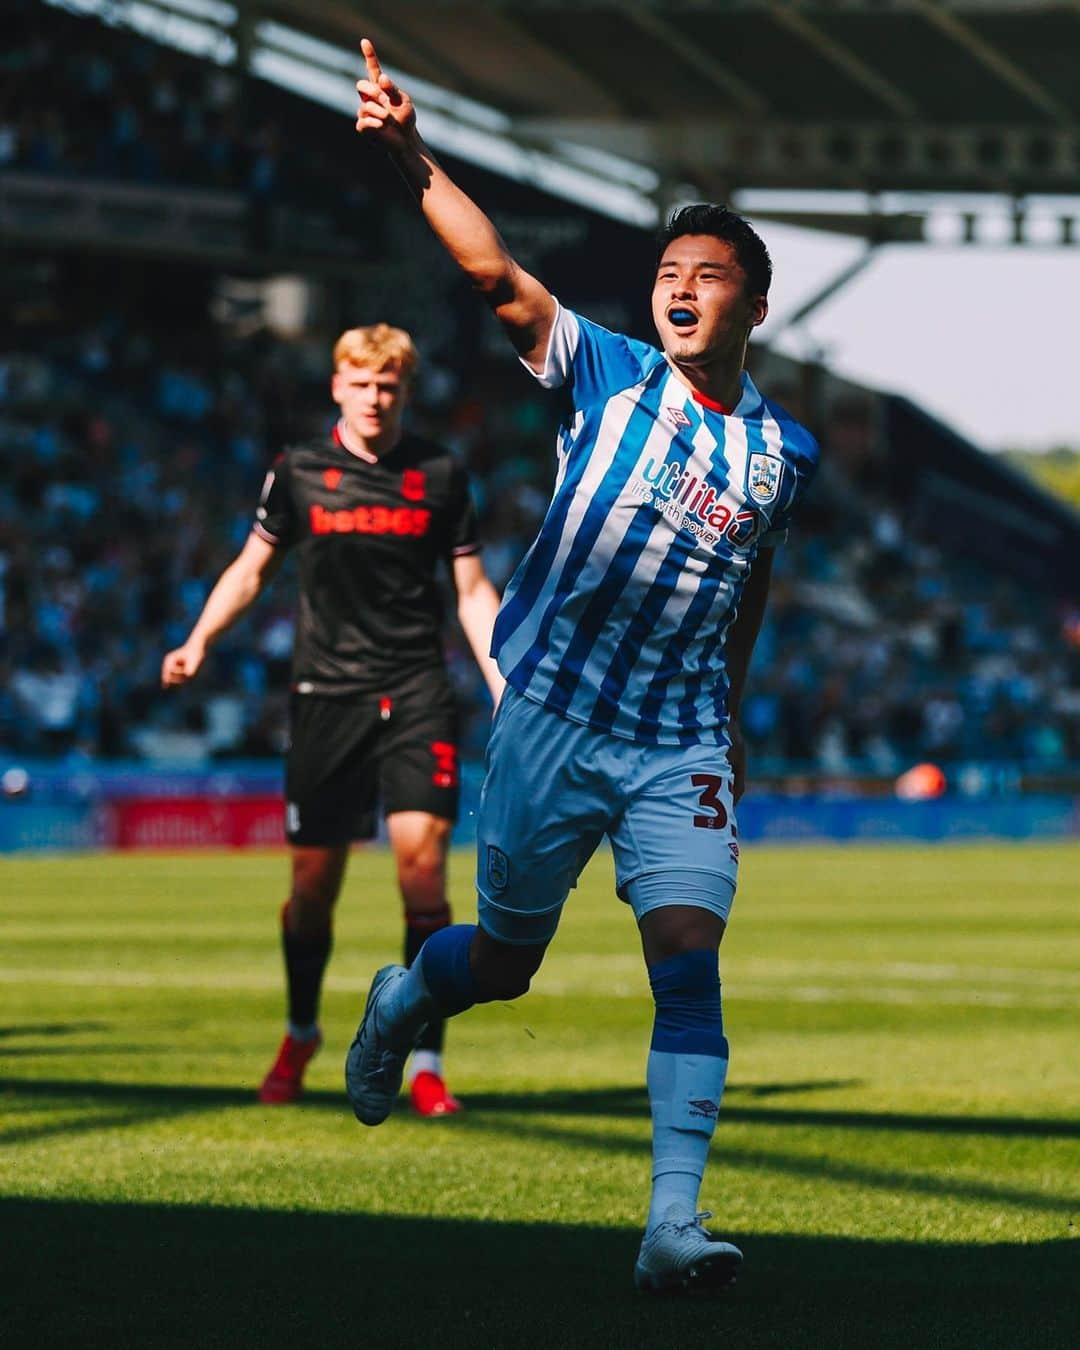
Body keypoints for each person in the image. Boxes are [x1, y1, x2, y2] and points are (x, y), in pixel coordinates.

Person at [344, 40, 819, 1291]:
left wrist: (733, 702)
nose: (680, 292)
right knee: (503, 964)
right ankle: (406, 999)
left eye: (707, 278)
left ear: (753, 308)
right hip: (553, 717)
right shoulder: (606, 375)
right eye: (669, 273)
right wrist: (407, 149)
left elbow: (751, 573)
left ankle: (670, 1227)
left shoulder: (786, 452)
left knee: (687, 961)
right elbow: (494, 272)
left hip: (679, 741)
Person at [162, 322, 504, 1115]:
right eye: (362, 383)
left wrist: (500, 682)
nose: (375, 397)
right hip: (327, 696)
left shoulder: (440, 475)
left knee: (423, 870)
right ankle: (303, 1028)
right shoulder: (300, 472)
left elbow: (473, 592)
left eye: (389, 386)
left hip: (417, 689)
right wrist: (199, 639)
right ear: (337, 387)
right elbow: (252, 570)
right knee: (313, 887)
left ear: (405, 393)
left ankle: (424, 1057)